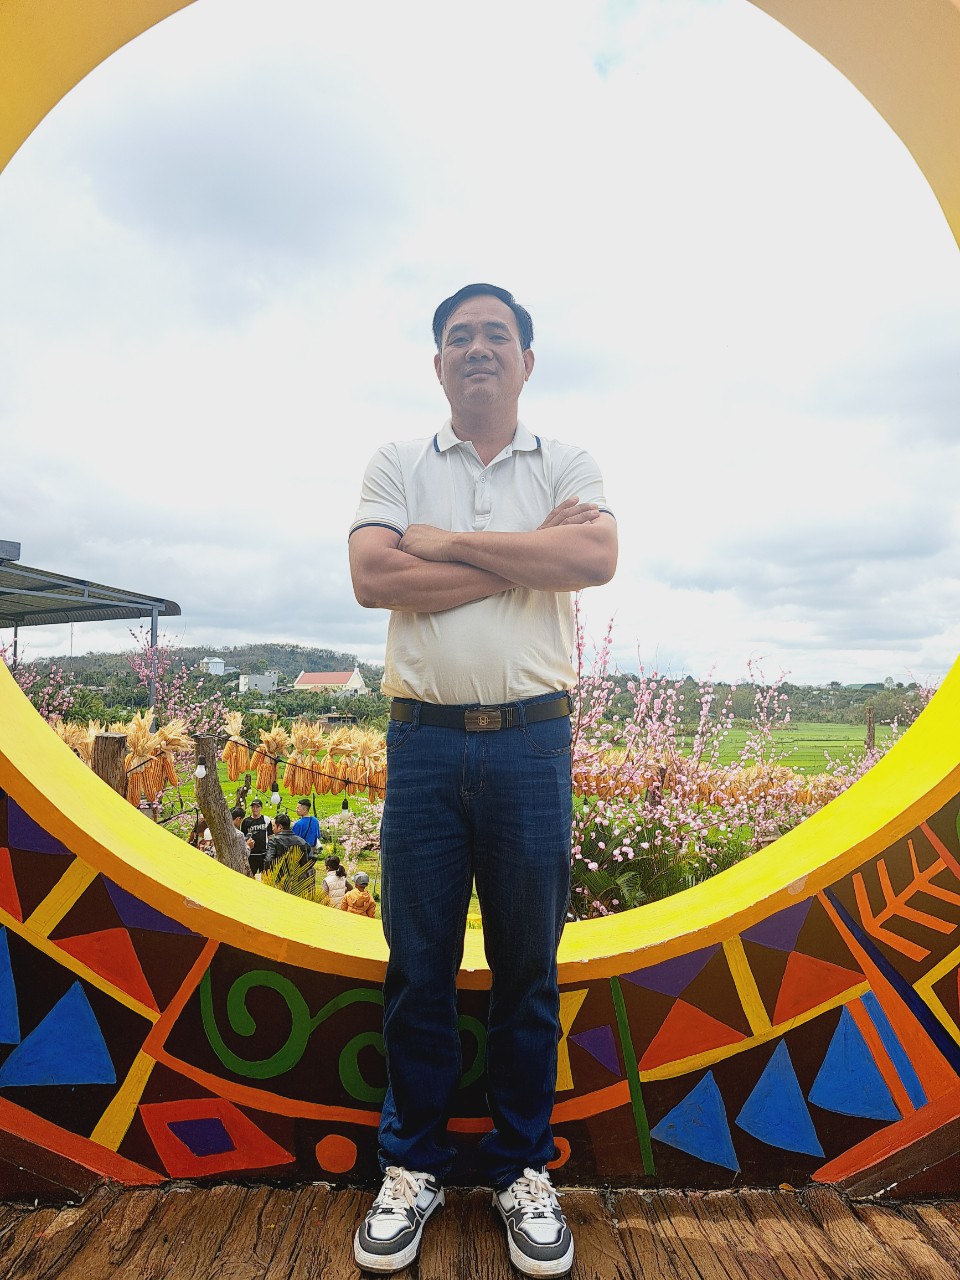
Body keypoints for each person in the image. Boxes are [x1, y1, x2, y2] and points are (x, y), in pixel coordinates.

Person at [348, 283, 617, 1276]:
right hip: (422, 745)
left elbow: (595, 554)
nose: (477, 348)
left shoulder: (568, 463)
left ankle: (520, 1169)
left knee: (527, 969)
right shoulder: (398, 462)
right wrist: (528, 558)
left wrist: (449, 544)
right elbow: (374, 576)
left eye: (495, 334)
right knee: (416, 964)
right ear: (438, 363)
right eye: (458, 336)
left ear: (525, 360)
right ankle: (411, 1165)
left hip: (530, 747)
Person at [263, 811, 317, 887]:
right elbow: (311, 858)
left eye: (274, 826)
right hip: (297, 882)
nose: (272, 829)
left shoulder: (274, 841)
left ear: (280, 827)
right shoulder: (301, 841)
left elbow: (269, 861)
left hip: (279, 880)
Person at [241, 799, 270, 876]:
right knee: (250, 875)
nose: (255, 809)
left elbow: (270, 836)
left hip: (263, 853)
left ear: (261, 808)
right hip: (251, 854)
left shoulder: (266, 820)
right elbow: (243, 837)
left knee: (264, 876)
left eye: (257, 807)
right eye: (253, 807)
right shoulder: (246, 821)